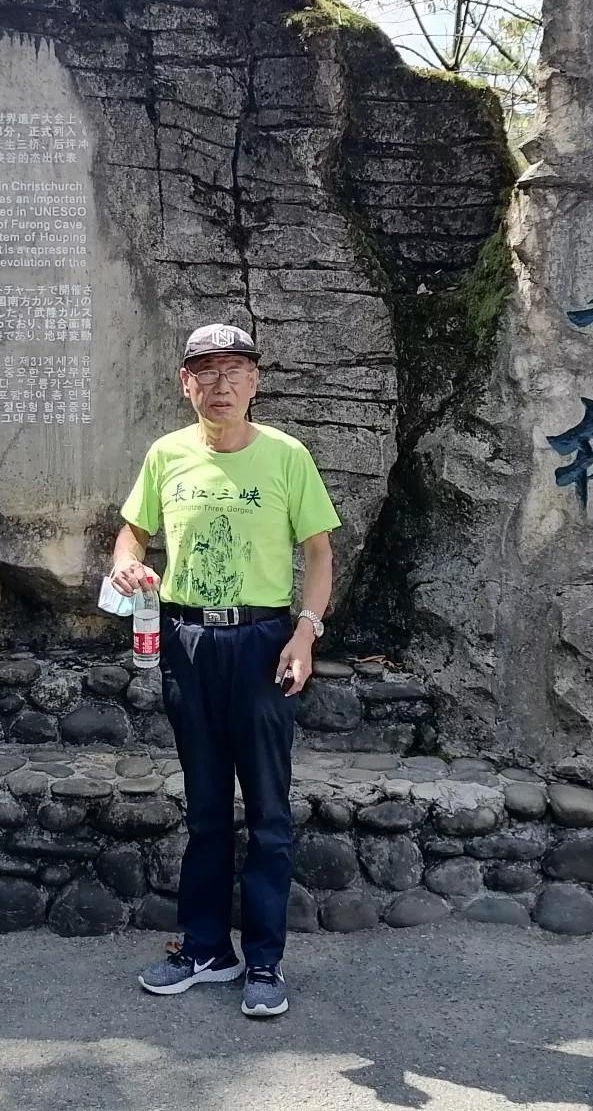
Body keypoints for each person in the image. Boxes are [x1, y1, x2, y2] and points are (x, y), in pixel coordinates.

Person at [109, 322, 339, 1019]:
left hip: (265, 640)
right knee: (207, 807)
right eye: (205, 372)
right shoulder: (166, 455)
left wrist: (306, 631)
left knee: (268, 811)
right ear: (185, 383)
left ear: (255, 382)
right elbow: (133, 530)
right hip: (189, 640)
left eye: (235, 370)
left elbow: (320, 554)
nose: (220, 384)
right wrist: (125, 560)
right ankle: (207, 950)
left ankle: (264, 961)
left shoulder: (286, 457)